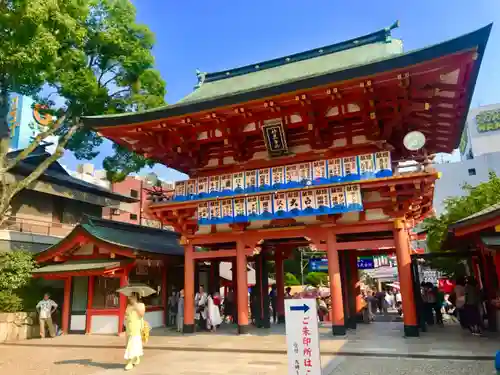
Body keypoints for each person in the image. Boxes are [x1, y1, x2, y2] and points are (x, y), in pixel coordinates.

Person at [124, 293, 145, 370]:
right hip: (129, 328)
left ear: (136, 297)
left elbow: (142, 314)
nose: (130, 298)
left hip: (136, 328)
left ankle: (129, 362)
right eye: (130, 296)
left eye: (132, 296)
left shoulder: (141, 305)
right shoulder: (129, 306)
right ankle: (136, 358)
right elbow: (126, 314)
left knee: (132, 345)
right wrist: (126, 317)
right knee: (131, 345)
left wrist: (135, 306)